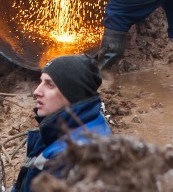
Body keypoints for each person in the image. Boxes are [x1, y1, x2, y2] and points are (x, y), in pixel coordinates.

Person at [12, 54, 110, 191]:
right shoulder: (89, 122)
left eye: (49, 85)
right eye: (41, 82)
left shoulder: (67, 159)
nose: (37, 91)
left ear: (72, 93)